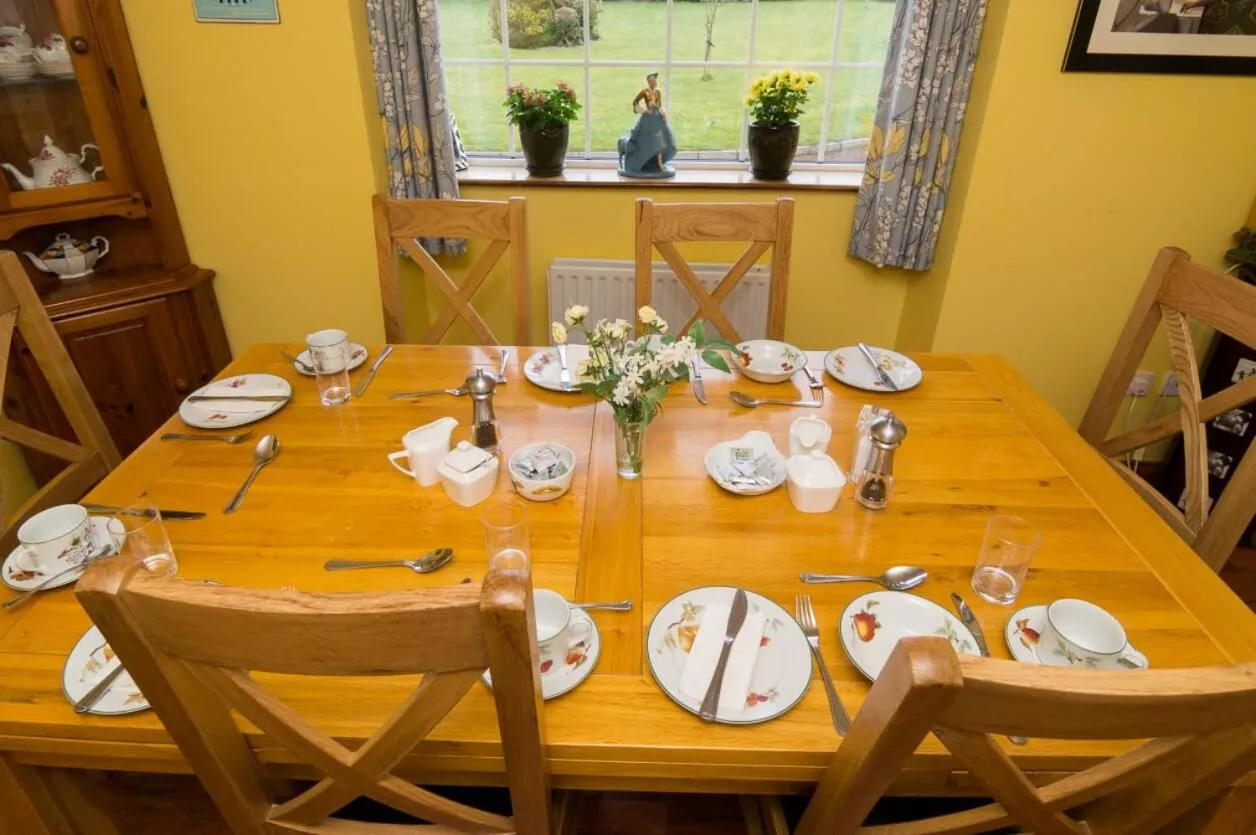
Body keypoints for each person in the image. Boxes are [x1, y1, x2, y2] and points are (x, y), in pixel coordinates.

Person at [617, 72, 677, 178]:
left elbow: (660, 105)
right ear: (648, 82)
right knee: (646, 140)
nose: (653, 82)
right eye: (651, 81)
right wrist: (643, 110)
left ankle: (658, 163)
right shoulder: (644, 92)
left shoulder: (658, 92)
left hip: (657, 118)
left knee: (660, 141)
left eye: (654, 80)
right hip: (648, 119)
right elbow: (635, 102)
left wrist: (662, 113)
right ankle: (640, 160)